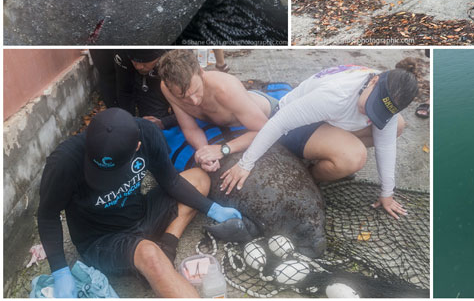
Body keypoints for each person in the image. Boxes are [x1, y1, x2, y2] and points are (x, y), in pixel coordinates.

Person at [37, 108, 242, 298]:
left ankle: (168, 245)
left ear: (137, 147)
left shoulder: (147, 133)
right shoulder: (64, 162)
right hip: (102, 240)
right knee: (150, 254)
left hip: (142, 214)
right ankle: (156, 255)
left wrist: (213, 209)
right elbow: (47, 215)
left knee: (199, 179)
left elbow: (170, 180)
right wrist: (60, 271)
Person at [229, 64, 419, 220]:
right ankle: (309, 177)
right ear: (374, 81)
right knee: (354, 157)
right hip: (294, 128)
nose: (370, 113)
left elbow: (385, 146)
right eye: (372, 106)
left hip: (330, 122)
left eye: (378, 112)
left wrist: (387, 193)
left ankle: (329, 155)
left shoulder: (390, 95)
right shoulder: (336, 95)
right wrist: (245, 163)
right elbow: (278, 123)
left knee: (397, 126)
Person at [157, 49, 273, 176]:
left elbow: (267, 131)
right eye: (184, 97)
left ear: (201, 72)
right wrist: (205, 153)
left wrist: (224, 149)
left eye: (196, 91)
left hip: (264, 115)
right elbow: (190, 128)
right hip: (220, 121)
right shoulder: (166, 88)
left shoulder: (226, 89)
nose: (194, 102)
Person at [113, 50, 176, 130]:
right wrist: (129, 122)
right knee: (150, 123)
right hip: (141, 76)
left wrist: (165, 122)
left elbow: (188, 107)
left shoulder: (178, 58)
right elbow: (124, 91)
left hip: (169, 67)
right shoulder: (122, 51)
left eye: (145, 62)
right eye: (134, 61)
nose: (138, 66)